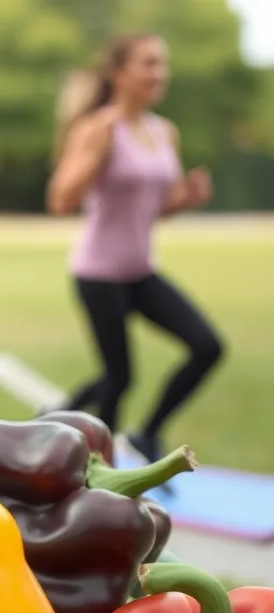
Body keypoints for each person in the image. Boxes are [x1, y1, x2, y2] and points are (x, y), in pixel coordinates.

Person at [47, 32, 224, 463]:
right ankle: (96, 465)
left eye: (162, 63)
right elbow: (60, 201)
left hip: (141, 271)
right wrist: (94, 157)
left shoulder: (164, 131)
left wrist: (186, 199)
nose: (159, 72)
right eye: (148, 63)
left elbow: (155, 209)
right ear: (119, 73)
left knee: (207, 346)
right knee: (118, 381)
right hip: (98, 272)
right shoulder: (98, 127)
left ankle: (146, 433)